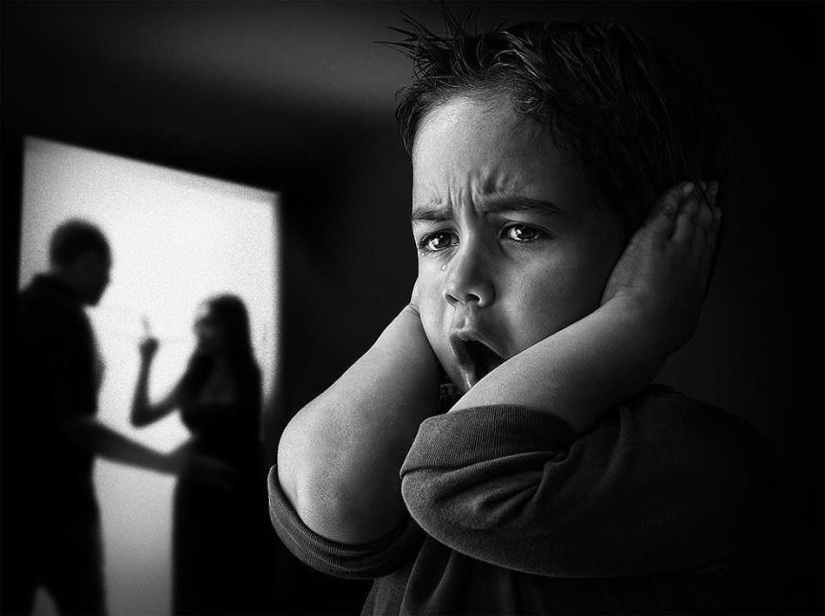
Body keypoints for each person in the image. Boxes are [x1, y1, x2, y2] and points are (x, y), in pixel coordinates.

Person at [268, 16, 775, 615]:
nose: (461, 282)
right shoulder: (418, 425)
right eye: (438, 238)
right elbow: (330, 502)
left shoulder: (694, 458)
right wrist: (420, 305)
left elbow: (457, 476)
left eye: (520, 231)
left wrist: (638, 315)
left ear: (648, 251)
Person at [2, 219, 190, 616]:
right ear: (87, 262)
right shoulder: (66, 317)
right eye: (106, 271)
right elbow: (78, 428)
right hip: (60, 509)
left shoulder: (20, 305)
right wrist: (165, 463)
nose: (108, 282)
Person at [131, 294, 270, 615]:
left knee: (234, 584)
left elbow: (246, 438)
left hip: (238, 493)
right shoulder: (194, 376)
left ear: (231, 327)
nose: (199, 331)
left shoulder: (250, 375)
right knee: (195, 582)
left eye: (208, 323)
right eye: (197, 324)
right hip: (195, 493)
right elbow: (141, 416)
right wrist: (146, 360)